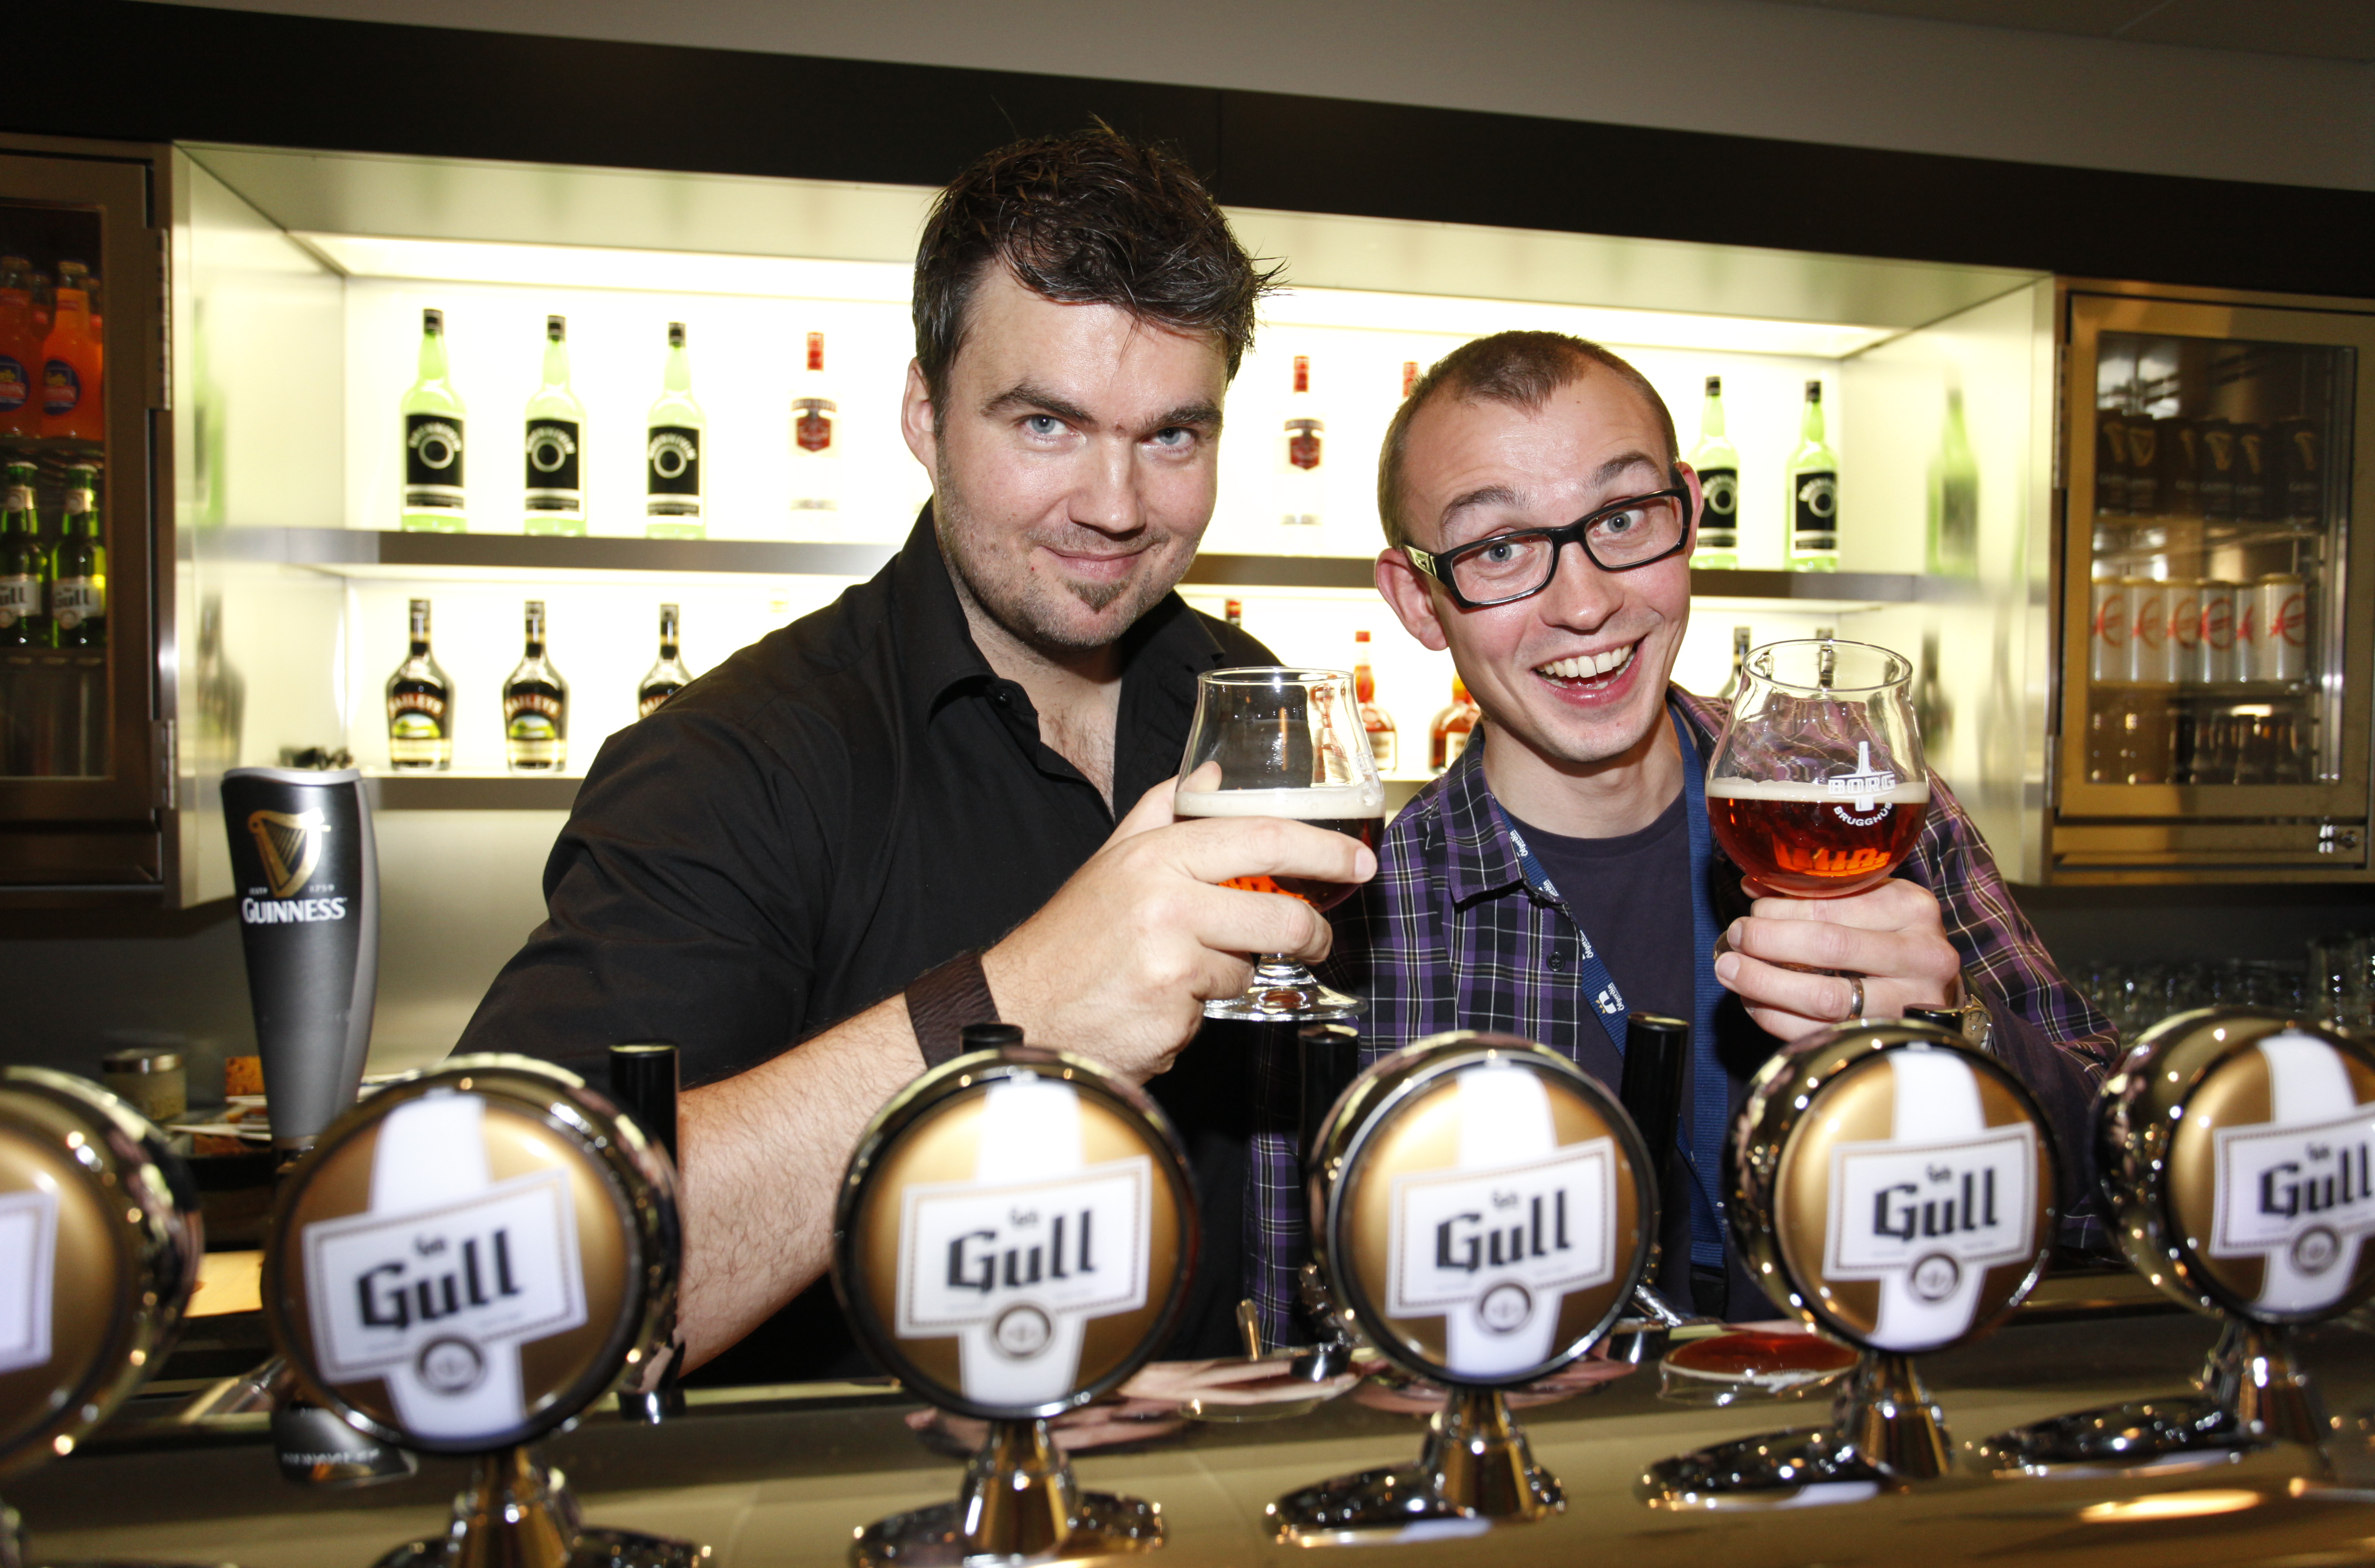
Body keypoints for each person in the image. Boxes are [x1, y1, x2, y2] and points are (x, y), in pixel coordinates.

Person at [461, 129, 1375, 1381]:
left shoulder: (1248, 701)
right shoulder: (735, 761)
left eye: (1172, 436)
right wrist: (1008, 1011)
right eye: (1047, 423)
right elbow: (506, 1288)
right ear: (923, 415)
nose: (1117, 505)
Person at [1248, 330, 2115, 1340]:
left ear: (1689, 517)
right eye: (1499, 549)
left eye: (1621, 519)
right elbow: (1296, 1323)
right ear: (1419, 600)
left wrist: (1961, 1038)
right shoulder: (1355, 923)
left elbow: (2118, 1176)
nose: (1586, 604)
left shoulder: (1861, 813)